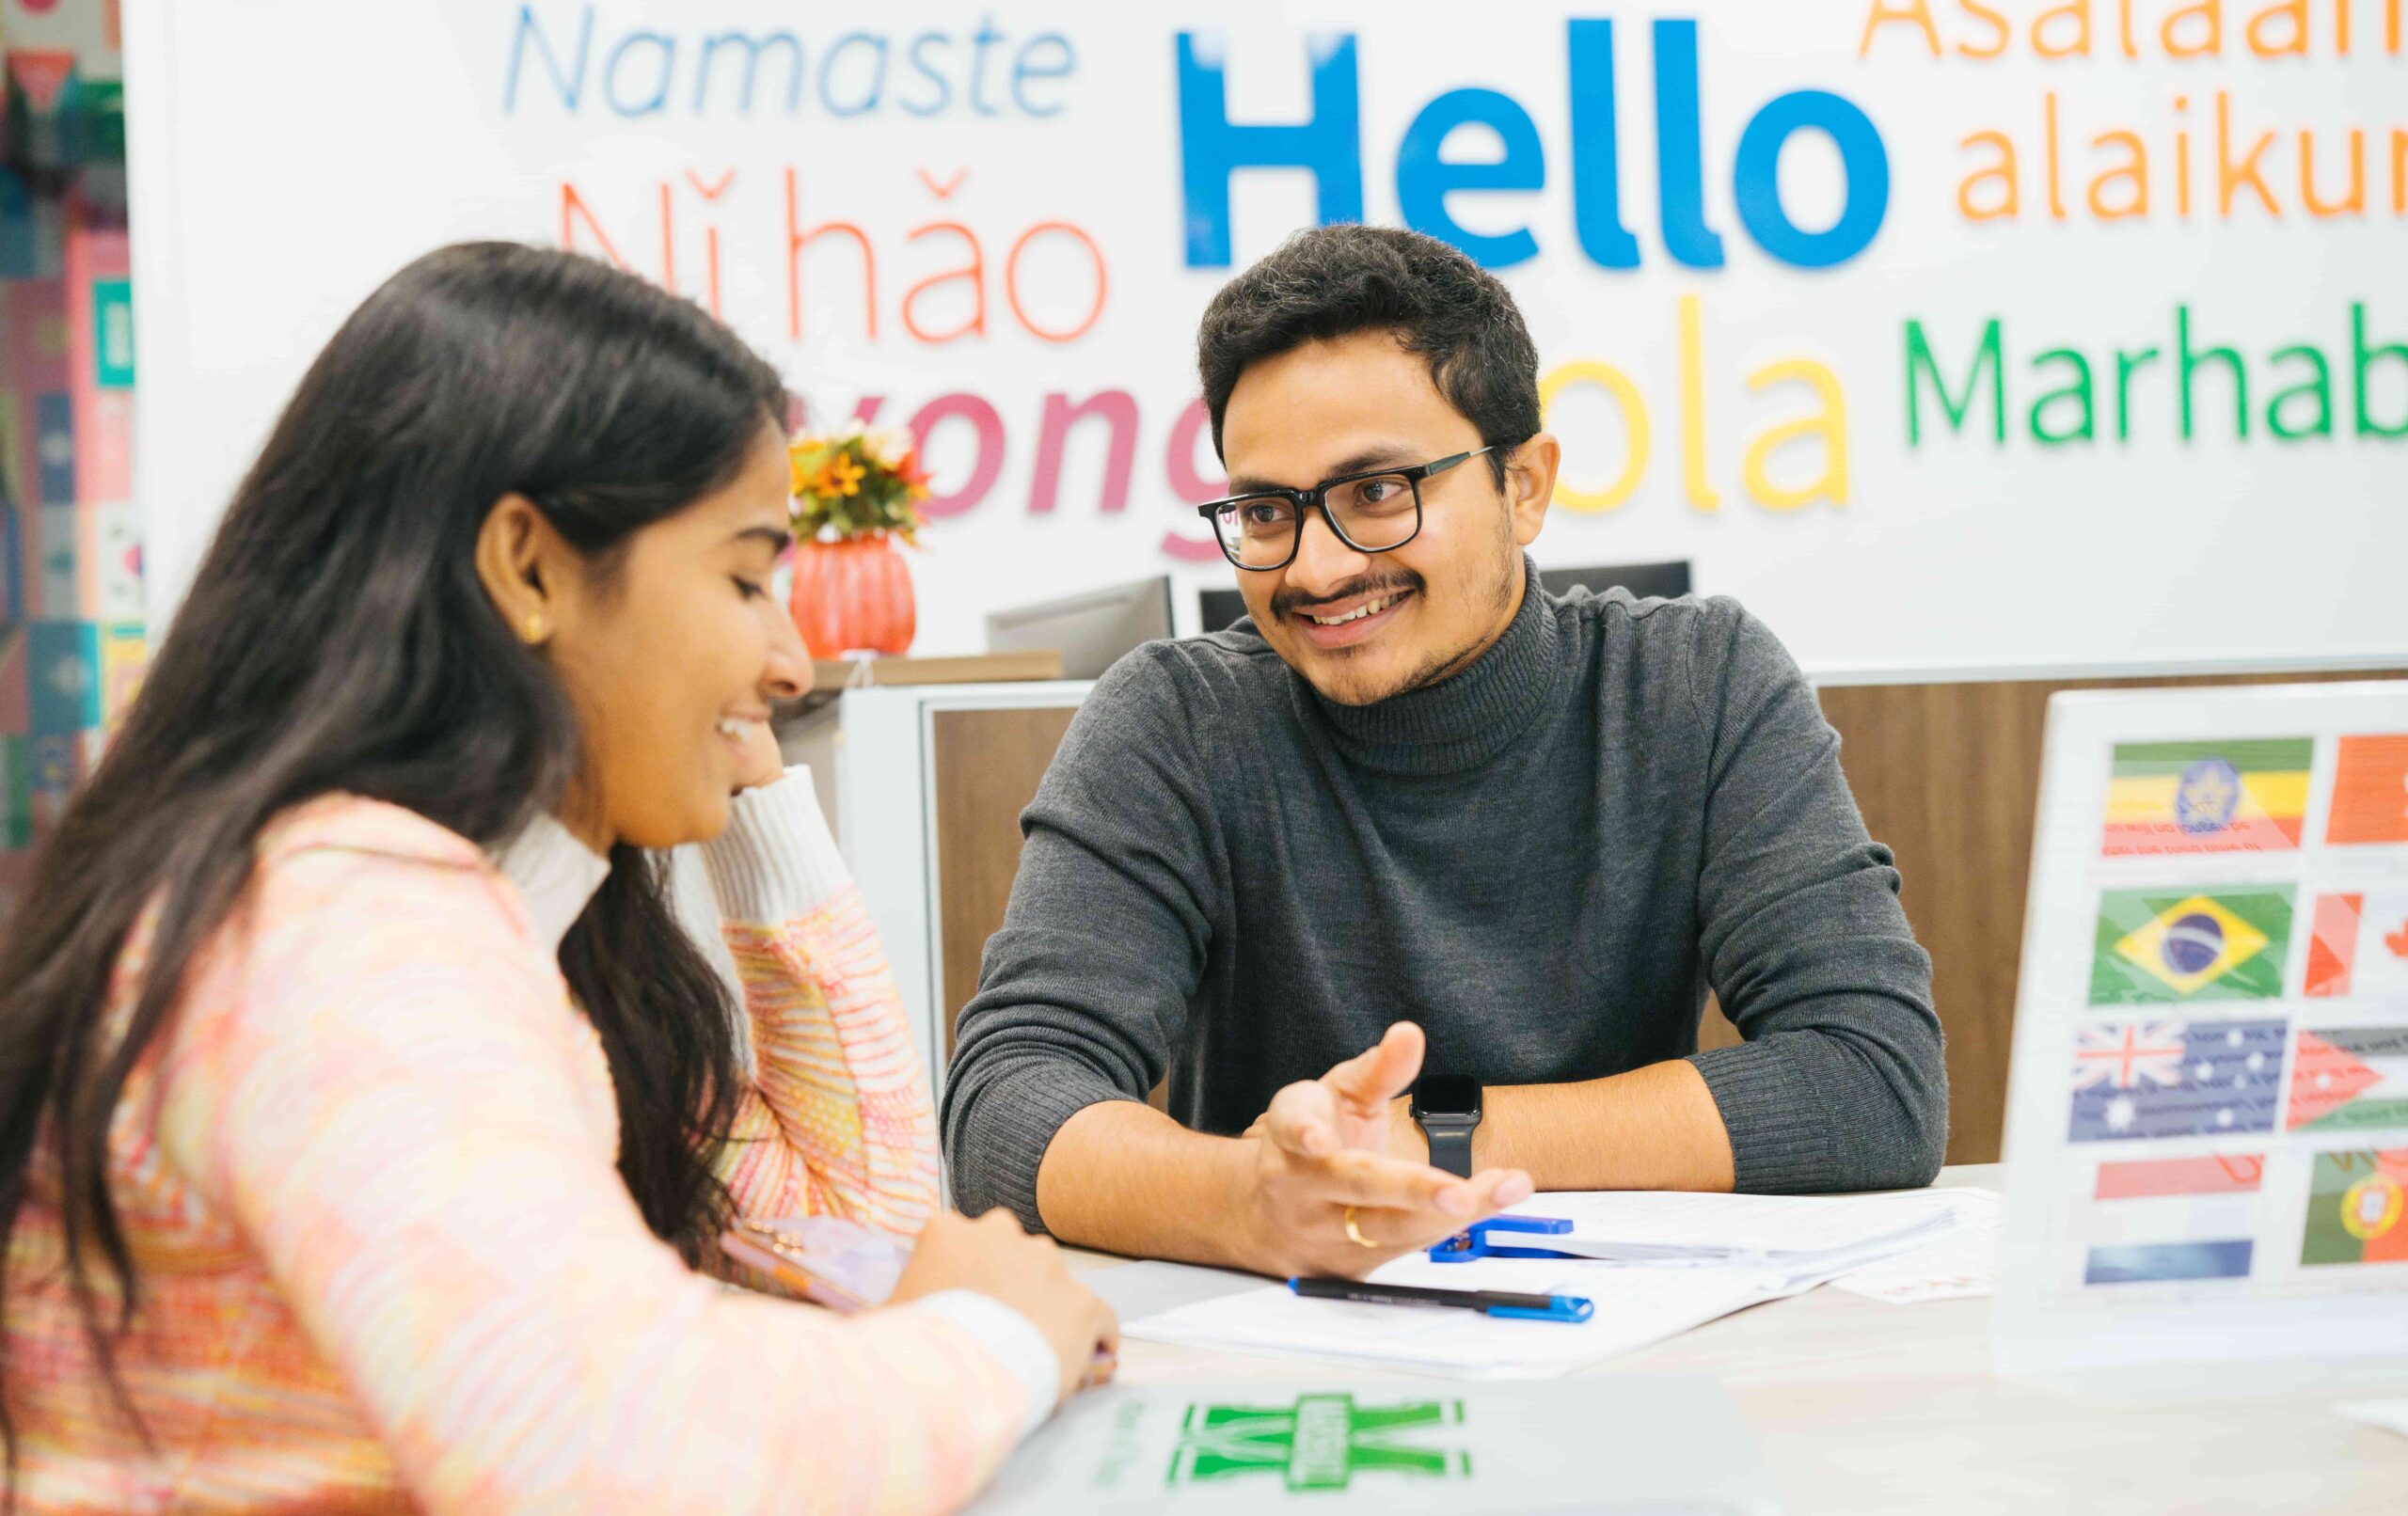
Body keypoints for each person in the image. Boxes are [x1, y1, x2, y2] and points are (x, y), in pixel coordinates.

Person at [0, 243, 1115, 1514]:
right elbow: (624, 1460)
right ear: (530, 569)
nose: (794, 661)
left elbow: (849, 1228)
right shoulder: (342, 932)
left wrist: (746, 799)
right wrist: (989, 1339)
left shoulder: (513, 933)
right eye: (748, 578)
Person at [943, 224, 1948, 1280]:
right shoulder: (1175, 724)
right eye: (1265, 509)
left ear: (1525, 485)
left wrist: (1425, 1142)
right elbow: (1005, 1099)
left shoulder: (1696, 685)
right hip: (1288, 1348)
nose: (1316, 566)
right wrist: (1250, 1202)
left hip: (1623, 1337)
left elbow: (1873, 1079)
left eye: (1377, 492)